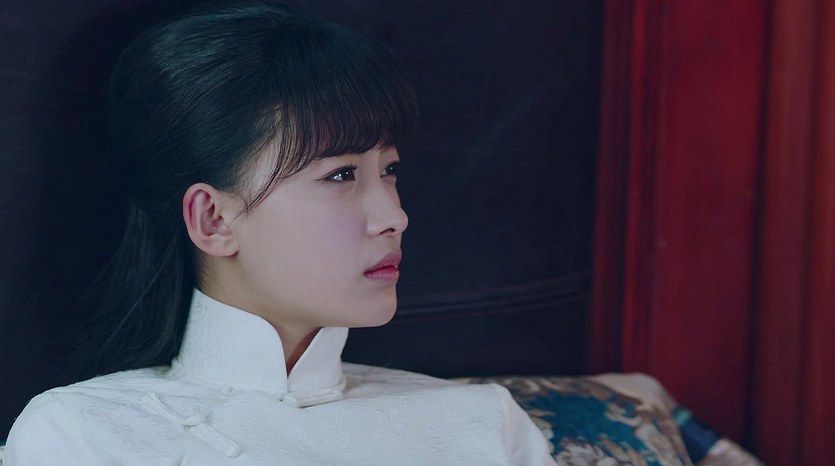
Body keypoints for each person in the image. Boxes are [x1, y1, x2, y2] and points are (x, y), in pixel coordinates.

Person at [2, 1, 556, 464]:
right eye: (341, 175)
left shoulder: (482, 423)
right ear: (213, 219)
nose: (394, 216)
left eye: (389, 169)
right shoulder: (84, 433)